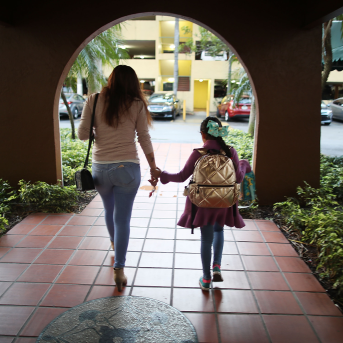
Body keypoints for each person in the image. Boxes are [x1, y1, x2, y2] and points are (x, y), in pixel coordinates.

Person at [78, 65, 156, 292]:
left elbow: (83, 135)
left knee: (108, 210)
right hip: (127, 169)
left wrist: (97, 129)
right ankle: (119, 270)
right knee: (122, 219)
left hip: (100, 169)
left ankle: (114, 245)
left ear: (110, 79)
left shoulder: (93, 99)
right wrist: (153, 167)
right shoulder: (137, 104)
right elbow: (144, 137)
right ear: (133, 83)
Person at [151, 117, 251, 291]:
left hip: (203, 202)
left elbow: (182, 176)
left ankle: (206, 279)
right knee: (219, 230)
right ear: (220, 132)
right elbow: (239, 178)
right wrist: (243, 164)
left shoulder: (198, 153)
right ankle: (217, 266)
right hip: (225, 201)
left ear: (203, 134)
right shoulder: (230, 152)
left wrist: (164, 176)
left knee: (206, 238)